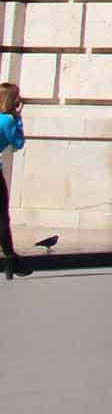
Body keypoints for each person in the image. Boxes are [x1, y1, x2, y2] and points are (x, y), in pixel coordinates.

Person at [0, 82, 26, 279]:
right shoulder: (8, 120)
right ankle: (10, 259)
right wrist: (18, 119)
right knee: (2, 218)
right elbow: (18, 143)